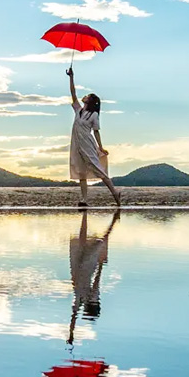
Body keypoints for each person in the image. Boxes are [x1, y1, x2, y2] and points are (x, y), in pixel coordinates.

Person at [67, 67, 121, 208]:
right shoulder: (79, 110)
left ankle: (115, 193)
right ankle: (84, 200)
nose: (85, 96)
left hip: (87, 144)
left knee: (99, 170)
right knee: (81, 172)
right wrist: (71, 77)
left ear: (90, 101)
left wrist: (101, 147)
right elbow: (73, 93)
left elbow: (96, 132)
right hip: (77, 144)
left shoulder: (94, 115)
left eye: (88, 96)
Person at [67, 210, 118, 346]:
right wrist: (71, 334)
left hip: (84, 268)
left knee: (98, 242)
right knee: (93, 242)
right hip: (80, 270)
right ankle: (108, 221)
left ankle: (107, 222)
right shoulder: (81, 299)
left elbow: (96, 282)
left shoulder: (83, 299)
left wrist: (100, 265)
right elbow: (73, 317)